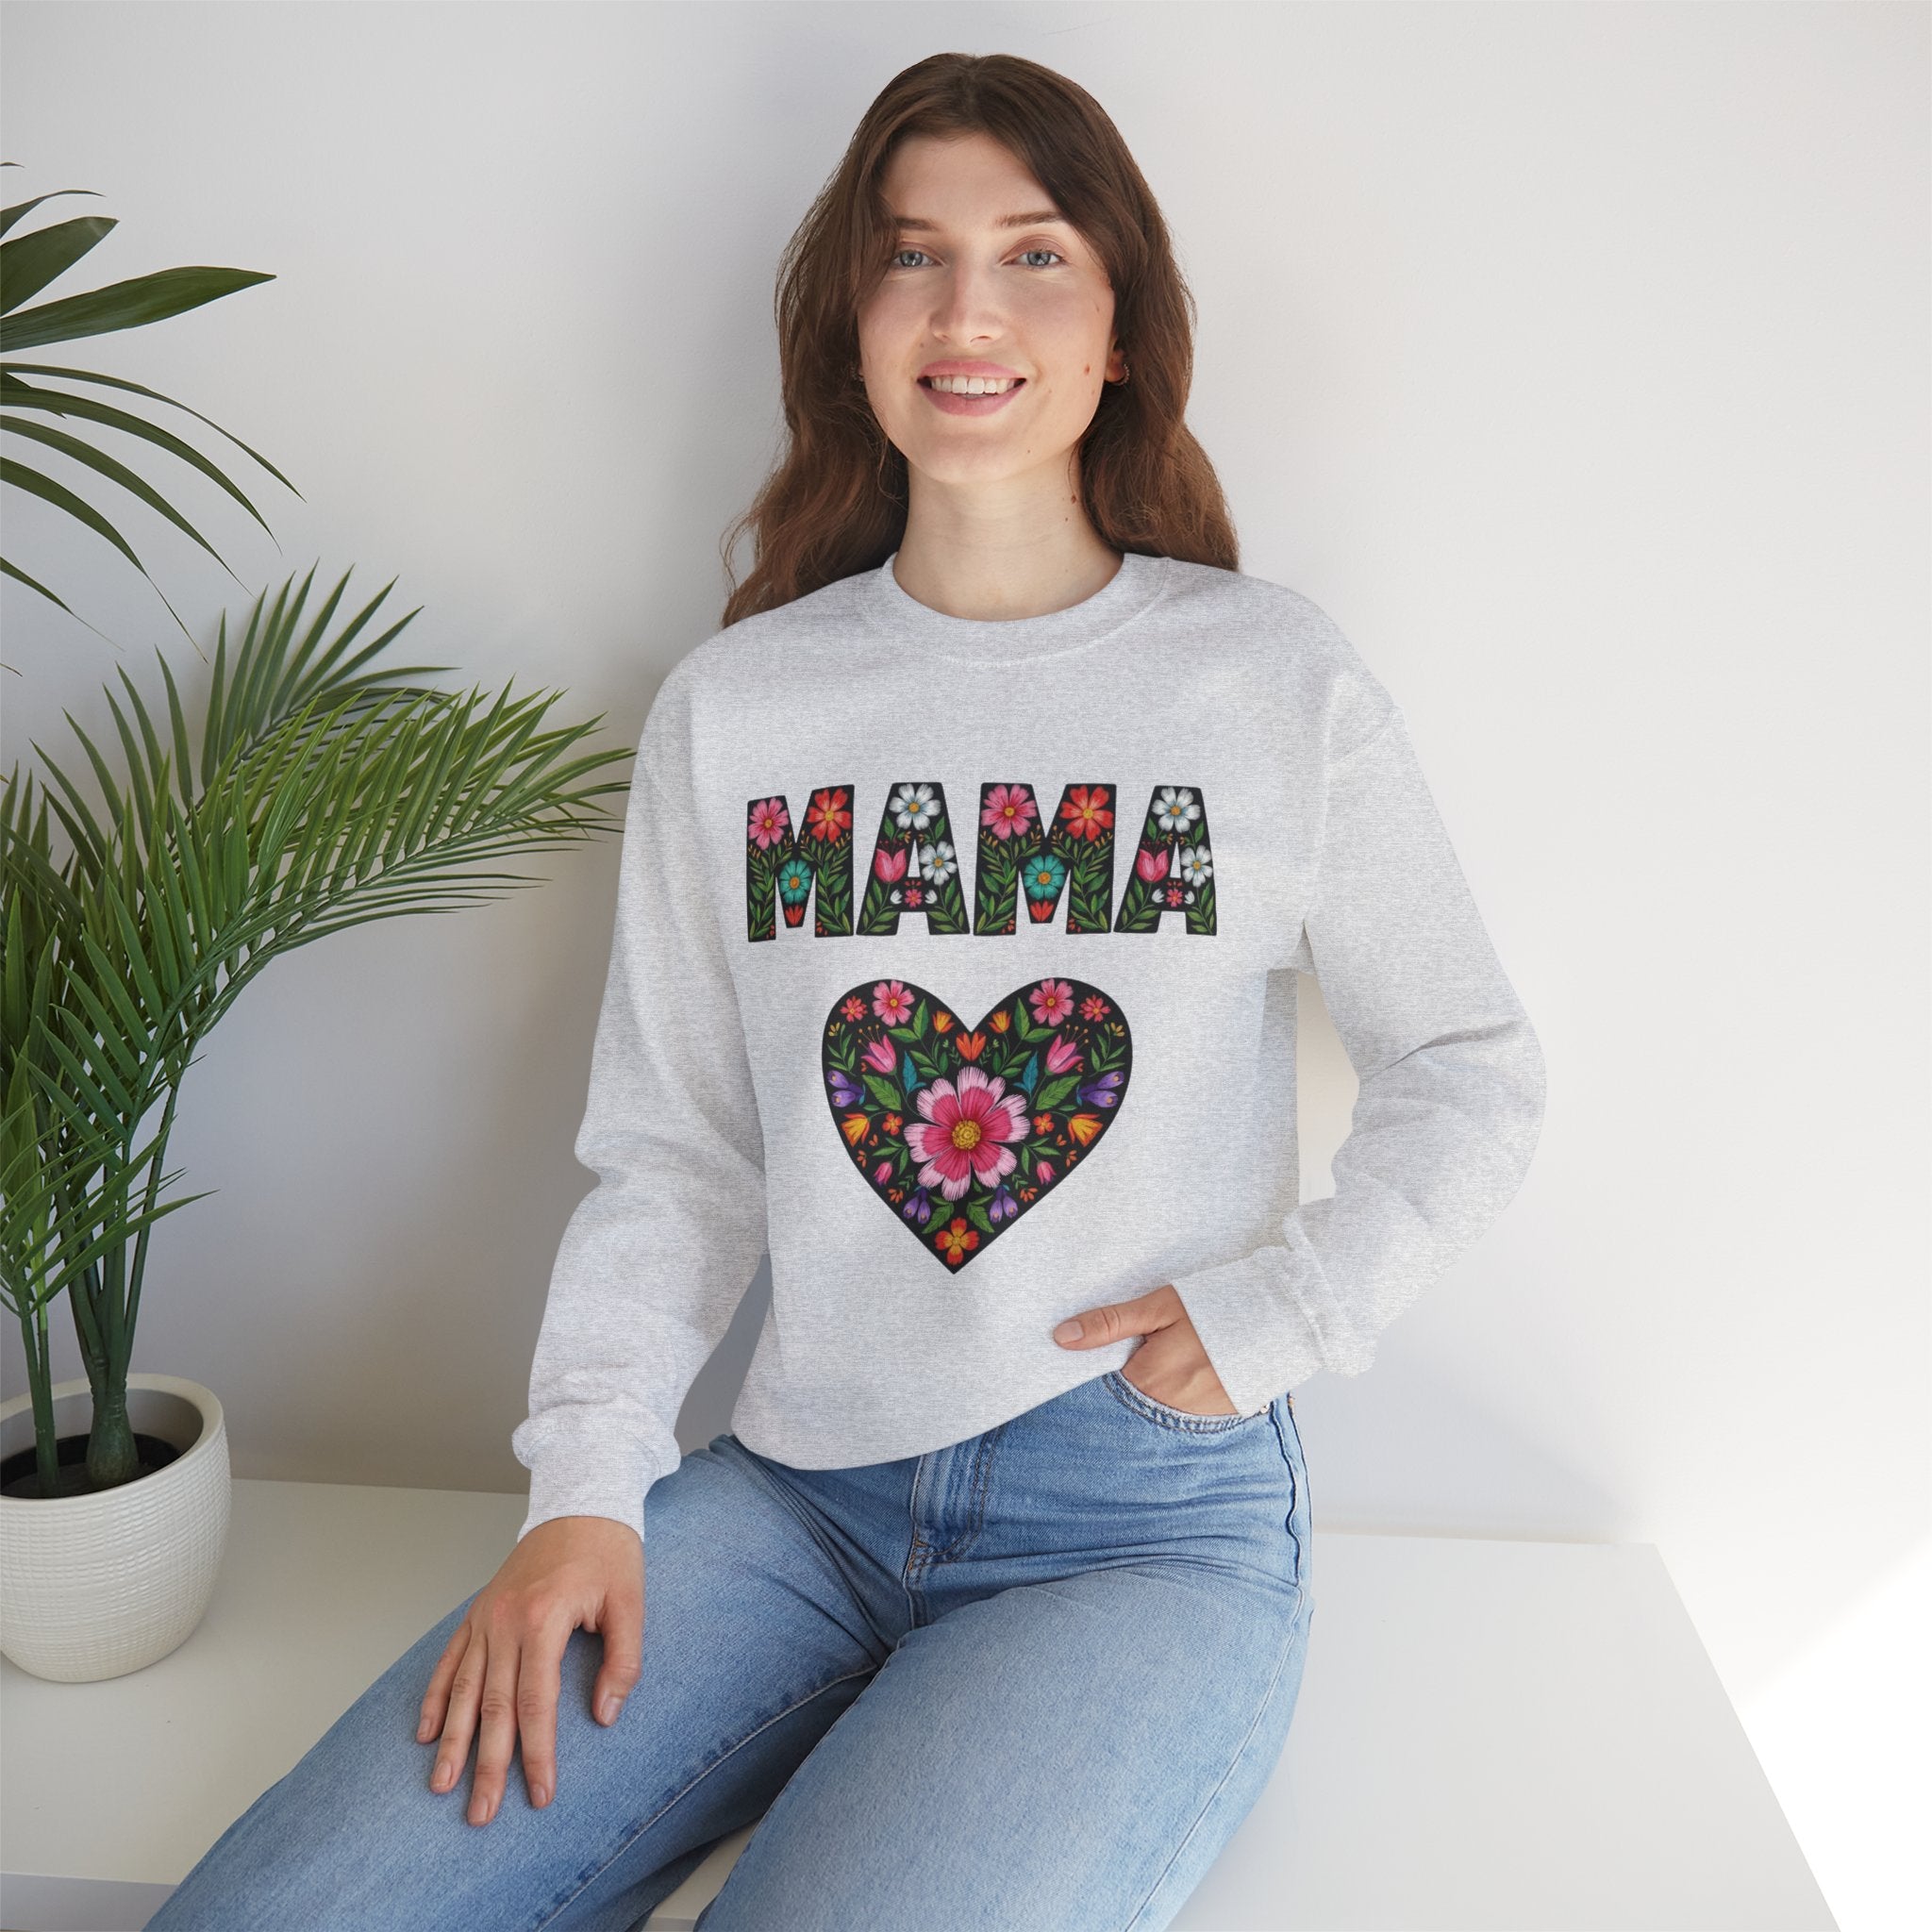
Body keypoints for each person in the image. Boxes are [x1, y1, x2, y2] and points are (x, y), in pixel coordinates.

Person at [147, 50, 1546, 1932]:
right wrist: (585, 1487)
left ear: (1119, 324)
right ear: (853, 323)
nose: (968, 311)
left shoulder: (1264, 682)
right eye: (911, 258)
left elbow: (1469, 1062)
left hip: (1136, 1527)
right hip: (792, 1499)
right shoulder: (743, 707)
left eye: (1033, 255)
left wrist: (1292, 1303)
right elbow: (677, 1157)